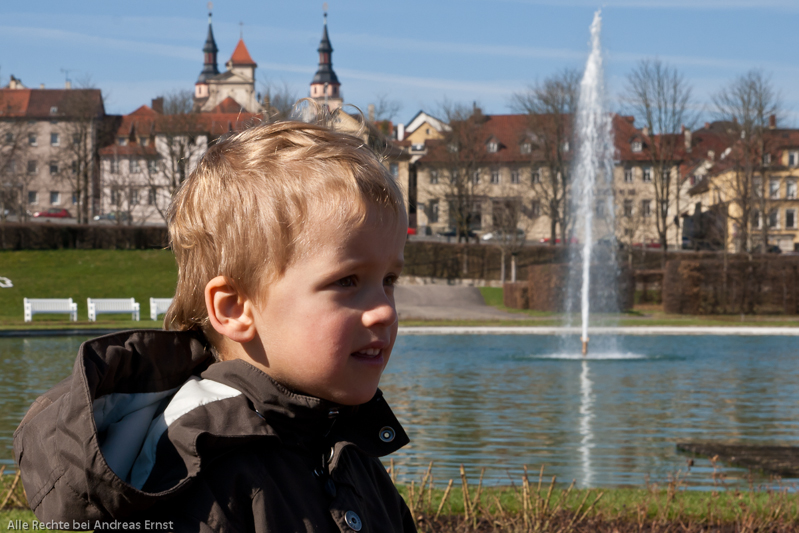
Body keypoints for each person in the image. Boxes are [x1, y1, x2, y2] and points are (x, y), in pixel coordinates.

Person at [14, 119, 416, 532]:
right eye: (346, 281)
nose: (384, 310)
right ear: (235, 308)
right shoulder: (200, 477)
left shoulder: (346, 452)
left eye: (389, 281)